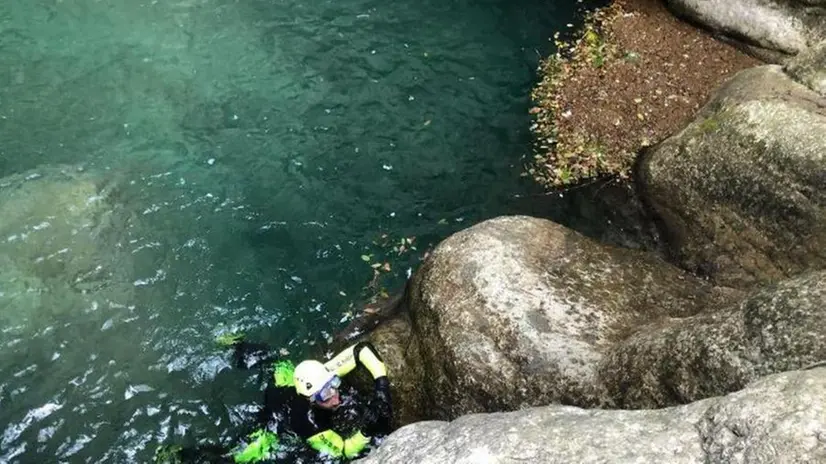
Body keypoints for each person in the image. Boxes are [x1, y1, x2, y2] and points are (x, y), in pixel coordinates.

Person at [155, 334, 393, 463]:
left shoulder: (321, 376)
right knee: (232, 458)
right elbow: (341, 452)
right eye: (326, 394)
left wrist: (381, 384)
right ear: (311, 398)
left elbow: (362, 350)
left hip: (285, 385)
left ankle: (235, 344)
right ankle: (177, 455)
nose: (335, 395)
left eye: (334, 385)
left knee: (277, 361)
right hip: (276, 422)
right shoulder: (312, 426)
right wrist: (367, 431)